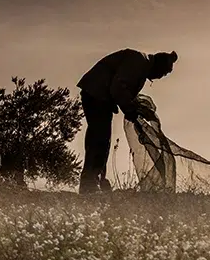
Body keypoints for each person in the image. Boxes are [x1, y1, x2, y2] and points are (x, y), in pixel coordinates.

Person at [76, 49, 178, 194]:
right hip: (96, 94)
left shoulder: (141, 65)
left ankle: (96, 180)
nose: (161, 77)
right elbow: (118, 88)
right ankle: (90, 182)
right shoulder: (138, 62)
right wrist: (129, 109)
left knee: (102, 139)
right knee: (99, 137)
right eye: (163, 73)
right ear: (158, 66)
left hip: (99, 96)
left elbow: (124, 91)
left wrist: (134, 108)